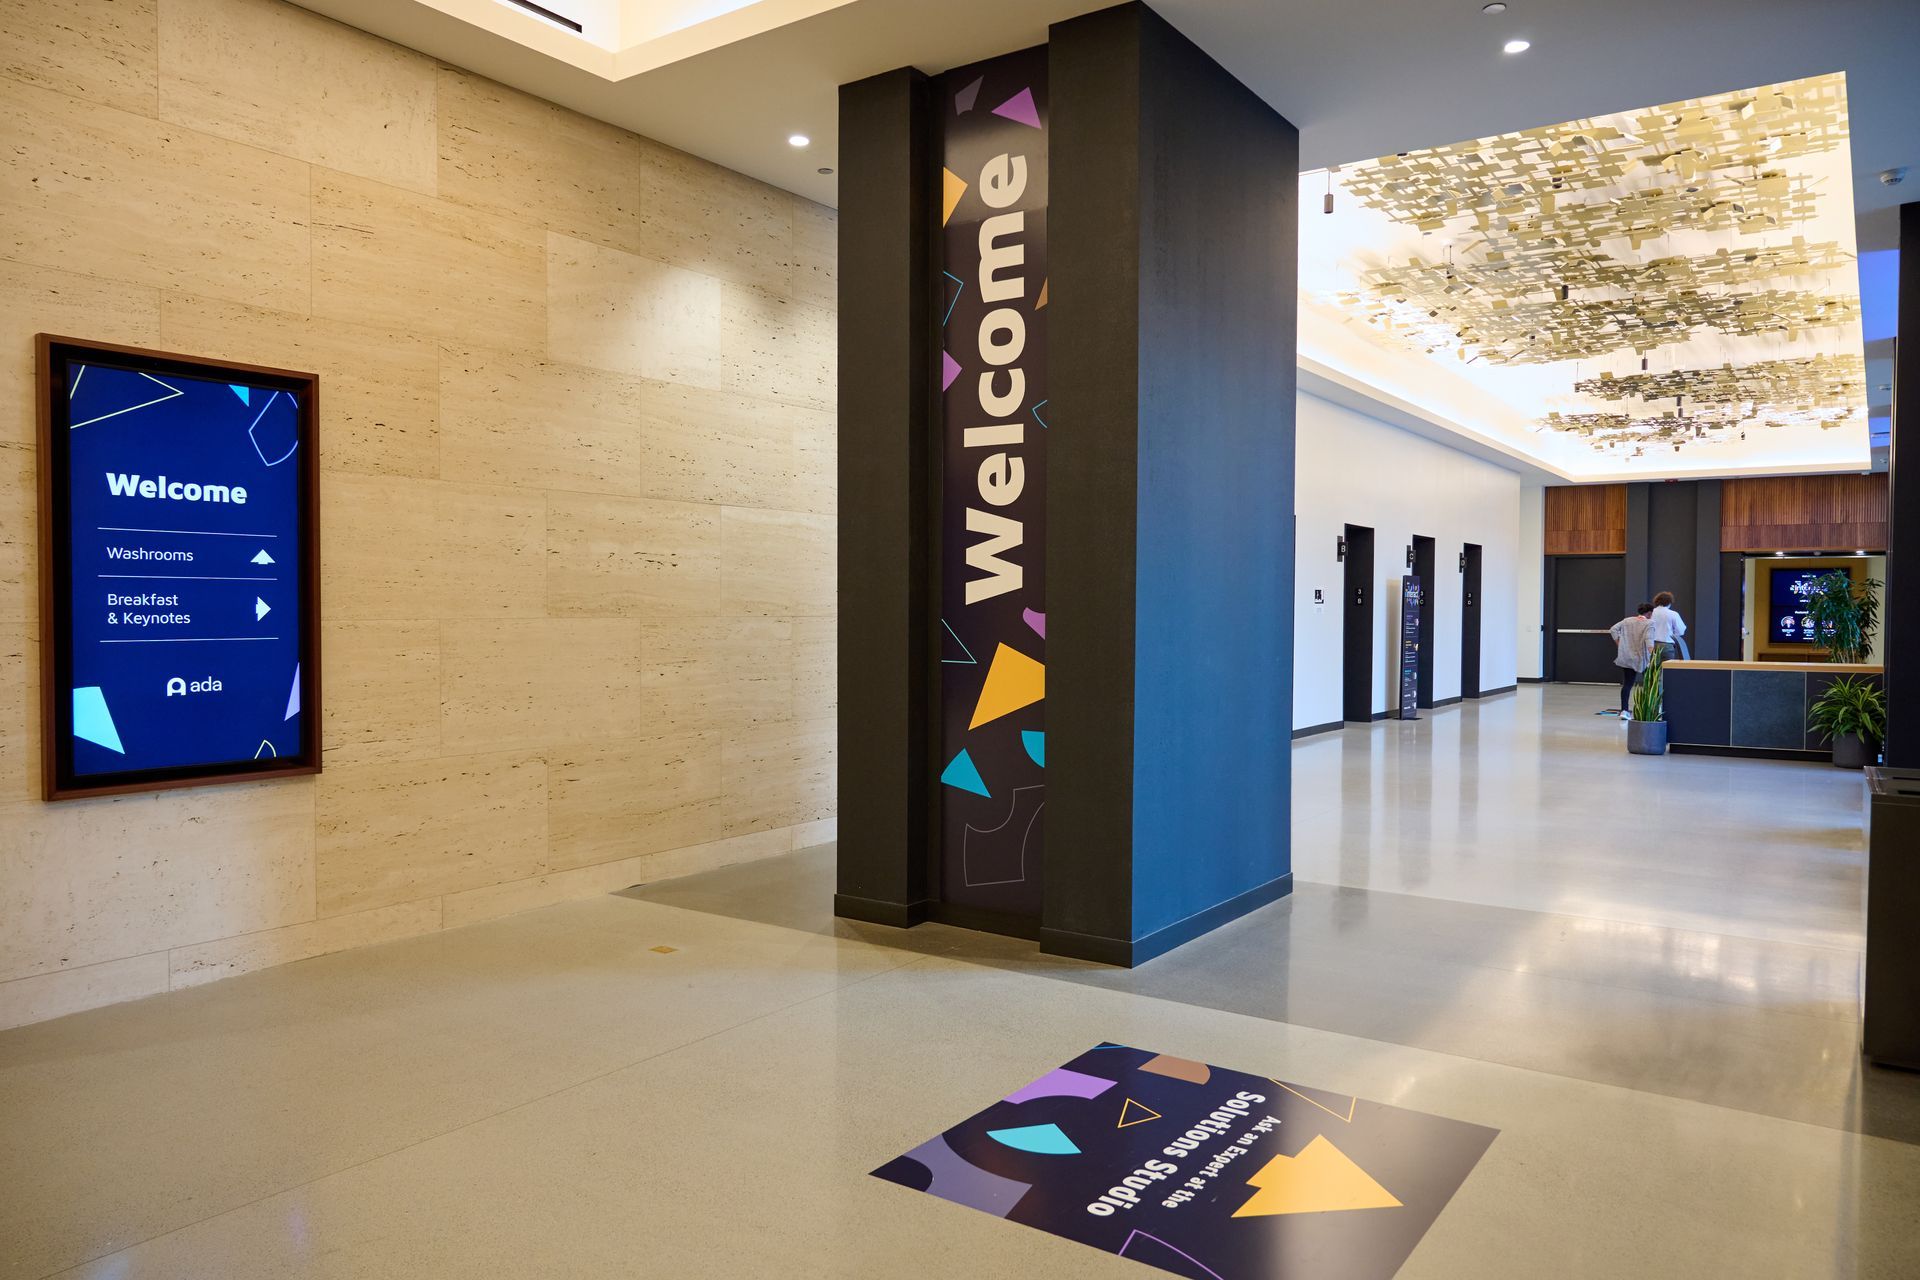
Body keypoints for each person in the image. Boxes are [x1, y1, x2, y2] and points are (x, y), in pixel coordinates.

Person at [1610, 602, 1654, 719]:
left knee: (1628, 684)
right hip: (1642, 657)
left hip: (1627, 656)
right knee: (1650, 684)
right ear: (1649, 613)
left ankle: (1624, 711)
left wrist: (1619, 644)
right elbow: (1649, 640)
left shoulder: (1626, 621)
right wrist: (1653, 654)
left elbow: (1613, 629)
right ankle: (1649, 709)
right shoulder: (1649, 623)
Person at [1648, 591, 1688, 661]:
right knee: (1666, 670)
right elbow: (1680, 631)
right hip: (1667, 645)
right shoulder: (1673, 614)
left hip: (1651, 645)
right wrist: (1672, 634)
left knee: (1652, 670)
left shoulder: (1651, 613)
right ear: (1669, 602)